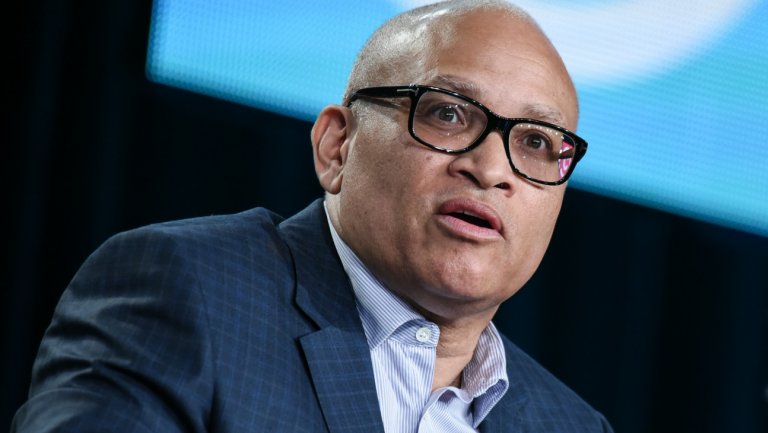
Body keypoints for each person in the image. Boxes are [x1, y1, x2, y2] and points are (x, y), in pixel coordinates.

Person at [12, 0, 613, 432]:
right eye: (447, 114)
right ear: (337, 147)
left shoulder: (572, 424)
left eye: (536, 142)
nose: (492, 168)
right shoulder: (189, 293)